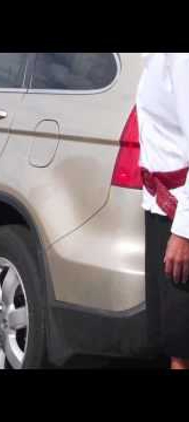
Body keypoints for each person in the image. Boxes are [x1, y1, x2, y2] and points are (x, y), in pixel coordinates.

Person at [137, 53, 189, 370]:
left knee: (182, 348)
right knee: (172, 340)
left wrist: (184, 231)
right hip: (160, 207)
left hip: (180, 215)